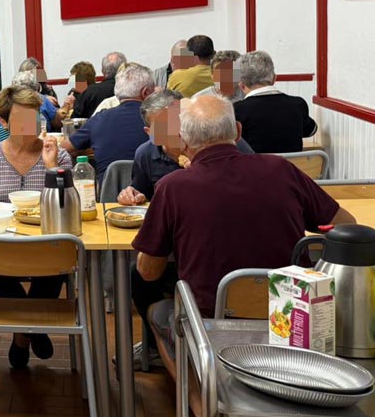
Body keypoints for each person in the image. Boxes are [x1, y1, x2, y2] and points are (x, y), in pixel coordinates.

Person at [133, 94, 352, 361]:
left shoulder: (173, 187)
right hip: (288, 311)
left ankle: (196, 397)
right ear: (237, 131)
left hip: (210, 319)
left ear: (184, 140)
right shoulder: (281, 169)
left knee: (158, 311)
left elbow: (148, 272)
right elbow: (345, 225)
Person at [0, 86, 71, 369]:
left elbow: (69, 208)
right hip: (3, 249)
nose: (32, 125)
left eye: (35, 116)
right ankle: (33, 329)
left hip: (47, 247)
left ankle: (22, 335)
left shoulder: (57, 154)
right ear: (3, 122)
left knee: (58, 259)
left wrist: (51, 168)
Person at [118, 89, 257, 206]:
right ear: (150, 133)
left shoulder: (220, 141)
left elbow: (252, 187)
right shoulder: (146, 154)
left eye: (178, 121)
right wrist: (133, 195)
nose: (175, 131)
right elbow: (144, 196)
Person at [63, 62, 153, 181]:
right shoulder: (160, 121)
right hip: (152, 195)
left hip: (107, 196)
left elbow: (64, 148)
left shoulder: (99, 119)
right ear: (145, 92)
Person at [233, 50, 318, 153]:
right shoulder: (298, 104)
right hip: (292, 168)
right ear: (274, 79)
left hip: (255, 168)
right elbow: (311, 131)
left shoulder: (236, 110)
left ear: (241, 85)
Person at [74, 52, 125, 119]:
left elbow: (76, 118)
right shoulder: (131, 90)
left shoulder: (90, 92)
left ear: (102, 71)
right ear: (124, 69)